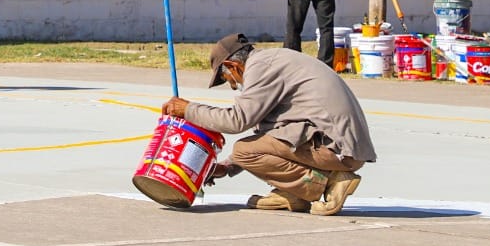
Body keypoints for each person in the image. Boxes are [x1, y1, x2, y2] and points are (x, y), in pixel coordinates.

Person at [161, 33, 376, 215]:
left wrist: (187, 110)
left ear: (232, 66)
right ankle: (294, 194)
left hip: (338, 149)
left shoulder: (260, 69)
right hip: (340, 145)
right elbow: (268, 132)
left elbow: (237, 121)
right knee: (255, 141)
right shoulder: (271, 62)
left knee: (243, 150)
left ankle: (327, 182)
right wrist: (227, 167)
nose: (234, 86)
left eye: (230, 80)